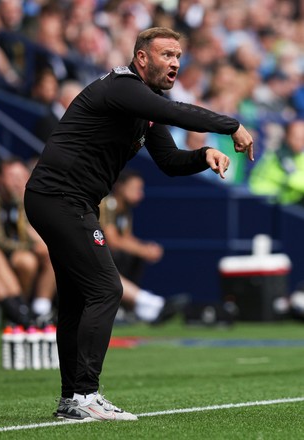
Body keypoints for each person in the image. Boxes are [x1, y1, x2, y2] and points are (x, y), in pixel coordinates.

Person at [24, 27, 253, 422]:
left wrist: (204, 155)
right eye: (167, 55)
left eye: (179, 56)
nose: (176, 63)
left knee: (79, 299)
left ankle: (71, 400)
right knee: (107, 288)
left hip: (63, 200)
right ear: (142, 58)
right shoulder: (123, 87)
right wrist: (230, 125)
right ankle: (86, 394)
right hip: (60, 199)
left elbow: (168, 162)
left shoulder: (145, 108)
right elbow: (175, 111)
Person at [0, 157, 56, 323]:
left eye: (22, 176)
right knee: (26, 261)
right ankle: (20, 310)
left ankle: (40, 310)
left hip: (17, 249)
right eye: (12, 176)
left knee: (54, 252)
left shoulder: (26, 199)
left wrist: (39, 244)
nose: (18, 182)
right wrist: (31, 247)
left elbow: (34, 230)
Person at [100, 168, 184, 324]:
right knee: (108, 265)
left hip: (105, 259)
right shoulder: (108, 204)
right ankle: (150, 305)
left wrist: (146, 248)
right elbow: (113, 240)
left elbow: (126, 238)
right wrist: (143, 250)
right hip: (91, 260)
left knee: (132, 256)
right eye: (135, 189)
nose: (141, 194)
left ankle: (133, 308)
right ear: (120, 187)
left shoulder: (125, 210)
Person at [249, 119, 304, 205]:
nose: (300, 142)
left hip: (287, 204)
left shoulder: (300, 155)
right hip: (265, 203)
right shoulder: (281, 154)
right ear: (287, 136)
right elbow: (293, 179)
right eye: (296, 138)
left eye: (302, 138)